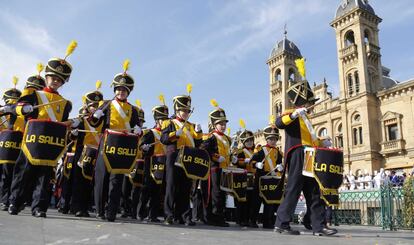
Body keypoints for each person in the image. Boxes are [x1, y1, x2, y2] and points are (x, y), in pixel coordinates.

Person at [8, 41, 77, 217]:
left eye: (59, 80)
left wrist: (72, 124)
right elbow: (19, 106)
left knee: (45, 177)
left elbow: (62, 123)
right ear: (47, 77)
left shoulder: (65, 103)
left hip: (50, 144)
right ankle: (15, 202)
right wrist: (23, 108)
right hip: (31, 141)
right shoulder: (33, 93)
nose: (55, 82)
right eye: (53, 78)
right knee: (23, 172)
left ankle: (39, 207)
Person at [274, 79, 337, 236]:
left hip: (310, 155)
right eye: (310, 103)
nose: (311, 106)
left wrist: (323, 141)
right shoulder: (291, 113)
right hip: (298, 154)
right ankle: (282, 223)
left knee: (314, 190)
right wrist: (294, 114)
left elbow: (311, 140)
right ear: (303, 103)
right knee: (293, 189)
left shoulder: (307, 120)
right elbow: (278, 123)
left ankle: (318, 226)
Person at [89, 60, 142, 222]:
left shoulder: (133, 110)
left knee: (117, 180)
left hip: (123, 147)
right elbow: (94, 123)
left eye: (124, 90)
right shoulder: (105, 104)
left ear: (128, 92)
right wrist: (95, 116)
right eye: (119, 89)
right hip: (107, 142)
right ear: (114, 90)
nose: (121, 92)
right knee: (102, 177)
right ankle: (100, 209)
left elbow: (135, 127)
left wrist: (138, 129)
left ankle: (111, 211)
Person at [161, 85, 203, 226]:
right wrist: (174, 134)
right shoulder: (169, 122)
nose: (185, 113)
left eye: (187, 110)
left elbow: (197, 143)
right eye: (183, 110)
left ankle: (184, 216)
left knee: (185, 188)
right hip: (174, 156)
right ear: (177, 110)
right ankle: (168, 215)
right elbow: (164, 138)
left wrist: (199, 132)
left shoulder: (190, 126)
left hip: (187, 158)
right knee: (171, 187)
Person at [200, 100, 237, 227]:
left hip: (225, 169)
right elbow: (204, 150)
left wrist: (233, 158)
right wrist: (216, 157)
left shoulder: (227, 138)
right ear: (214, 124)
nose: (223, 126)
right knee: (213, 193)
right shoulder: (211, 137)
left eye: (224, 123)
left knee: (222, 194)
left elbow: (228, 153)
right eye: (220, 123)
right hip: (214, 169)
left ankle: (219, 216)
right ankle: (211, 217)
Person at [70, 83, 104, 217]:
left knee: (92, 183)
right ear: (87, 107)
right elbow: (72, 136)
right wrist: (74, 133)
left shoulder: (103, 121)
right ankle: (77, 207)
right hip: (82, 154)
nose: (94, 108)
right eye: (92, 106)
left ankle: (87, 206)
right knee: (79, 181)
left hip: (97, 154)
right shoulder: (81, 120)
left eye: (97, 106)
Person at [137, 95, 169, 222]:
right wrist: (143, 147)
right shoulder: (150, 132)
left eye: (165, 119)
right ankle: (140, 212)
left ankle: (153, 215)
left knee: (158, 191)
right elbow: (141, 146)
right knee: (146, 189)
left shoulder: (167, 135)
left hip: (163, 163)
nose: (164, 122)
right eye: (162, 119)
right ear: (157, 120)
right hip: (151, 163)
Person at [250, 124, 283, 229]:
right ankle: (253, 220)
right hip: (261, 178)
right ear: (267, 140)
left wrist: (280, 167)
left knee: (270, 202)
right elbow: (252, 162)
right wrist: (256, 164)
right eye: (271, 139)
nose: (273, 141)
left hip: (272, 179)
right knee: (257, 201)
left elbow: (279, 164)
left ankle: (267, 222)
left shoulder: (278, 152)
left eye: (275, 139)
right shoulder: (261, 150)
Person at [0, 80, 24, 211]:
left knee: (15, 175)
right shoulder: (2, 114)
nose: (12, 104)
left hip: (17, 147)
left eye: (15, 102)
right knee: (4, 175)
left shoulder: (21, 116)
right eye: (10, 102)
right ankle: (4, 199)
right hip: (3, 148)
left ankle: (11, 200)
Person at [234, 126, 257, 227]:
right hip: (242, 178)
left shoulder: (255, 153)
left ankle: (249, 219)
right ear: (243, 142)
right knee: (242, 200)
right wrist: (244, 162)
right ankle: (240, 219)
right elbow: (236, 162)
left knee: (252, 201)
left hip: (253, 178)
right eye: (247, 141)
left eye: (251, 140)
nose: (250, 142)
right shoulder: (240, 152)